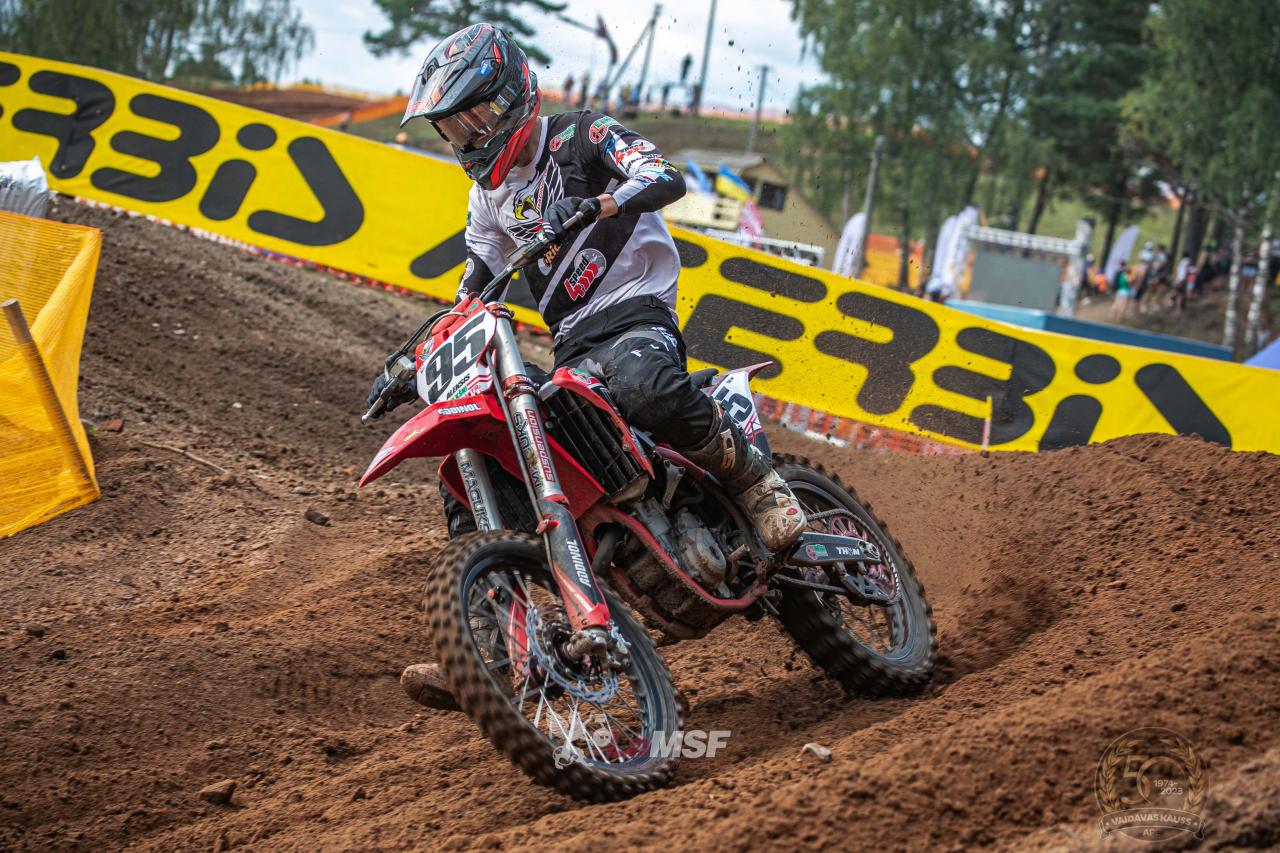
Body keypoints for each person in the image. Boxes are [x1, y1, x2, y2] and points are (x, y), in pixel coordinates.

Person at [367, 24, 808, 710]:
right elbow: (474, 285)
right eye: (452, 128)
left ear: (509, 98)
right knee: (477, 463)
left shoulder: (581, 136)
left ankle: (757, 482)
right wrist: (413, 358)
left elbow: (661, 175)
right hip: (574, 345)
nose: (465, 139)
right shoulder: (487, 201)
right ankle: (487, 643)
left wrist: (600, 201)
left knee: (642, 383)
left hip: (635, 313)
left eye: (471, 119)